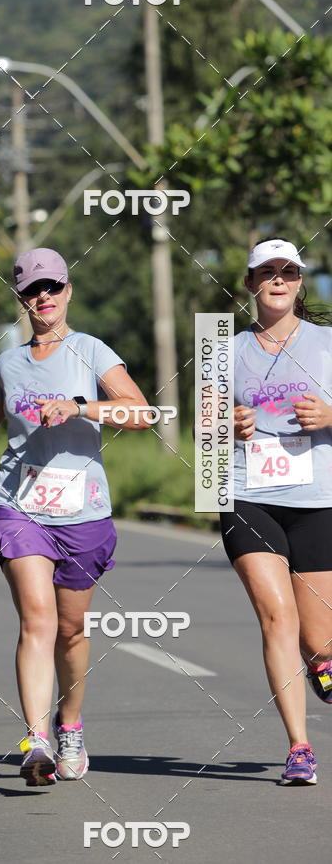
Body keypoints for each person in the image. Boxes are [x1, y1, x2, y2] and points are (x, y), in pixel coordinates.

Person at [0, 247, 152, 785]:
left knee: (71, 631)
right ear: (21, 300)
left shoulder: (92, 351)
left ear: (67, 291)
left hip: (83, 511)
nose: (43, 297)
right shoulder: (8, 363)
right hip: (18, 505)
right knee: (38, 618)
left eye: (52, 287)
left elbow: (141, 413)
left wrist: (81, 407)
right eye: (32, 290)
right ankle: (36, 740)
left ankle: (69, 722)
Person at [219, 237, 332, 786]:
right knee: (276, 616)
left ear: (300, 281)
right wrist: (226, 427)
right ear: (250, 284)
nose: (279, 280)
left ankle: (321, 662)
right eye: (268, 272)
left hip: (317, 502)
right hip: (247, 496)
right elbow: (203, 432)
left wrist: (330, 415)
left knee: (320, 639)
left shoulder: (327, 343)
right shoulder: (223, 347)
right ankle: (300, 747)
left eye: (289, 271)